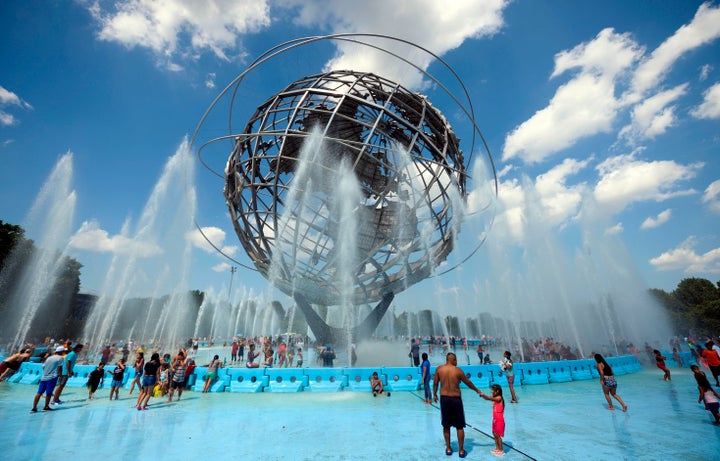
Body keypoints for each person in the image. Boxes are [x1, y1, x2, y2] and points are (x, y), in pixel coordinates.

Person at [432, 352, 482, 458]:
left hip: (444, 399)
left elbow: (435, 383)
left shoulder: (439, 369)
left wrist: (434, 394)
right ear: (453, 360)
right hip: (456, 400)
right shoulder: (458, 371)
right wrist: (477, 390)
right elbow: (468, 382)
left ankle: (449, 448)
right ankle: (461, 450)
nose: (457, 362)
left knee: (446, 425)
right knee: (459, 426)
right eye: (456, 360)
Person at [31, 346, 66, 412]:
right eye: (64, 351)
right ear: (61, 352)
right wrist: (61, 376)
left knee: (39, 393)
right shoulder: (60, 358)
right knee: (49, 393)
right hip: (52, 377)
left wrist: (47, 372)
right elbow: (59, 368)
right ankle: (46, 407)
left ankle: (34, 408)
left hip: (44, 377)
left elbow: (43, 366)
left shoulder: (49, 358)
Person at [479, 384, 505, 456]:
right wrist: (482, 396)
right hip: (495, 419)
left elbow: (488, 398)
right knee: (494, 433)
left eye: (493, 390)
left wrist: (483, 394)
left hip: (499, 420)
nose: (491, 391)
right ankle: (497, 447)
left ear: (497, 391)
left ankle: (501, 449)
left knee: (498, 435)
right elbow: (488, 398)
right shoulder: (495, 397)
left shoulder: (499, 398)